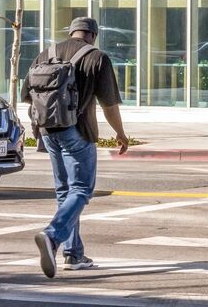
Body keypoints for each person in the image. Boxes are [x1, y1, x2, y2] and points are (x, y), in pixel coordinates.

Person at [23, 17, 129, 279]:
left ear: (70, 33)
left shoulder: (45, 54)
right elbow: (109, 105)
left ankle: (74, 254)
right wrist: (120, 133)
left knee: (64, 191)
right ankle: (53, 235)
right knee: (81, 190)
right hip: (78, 131)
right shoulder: (97, 57)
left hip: (47, 131)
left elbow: (26, 95)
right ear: (93, 35)